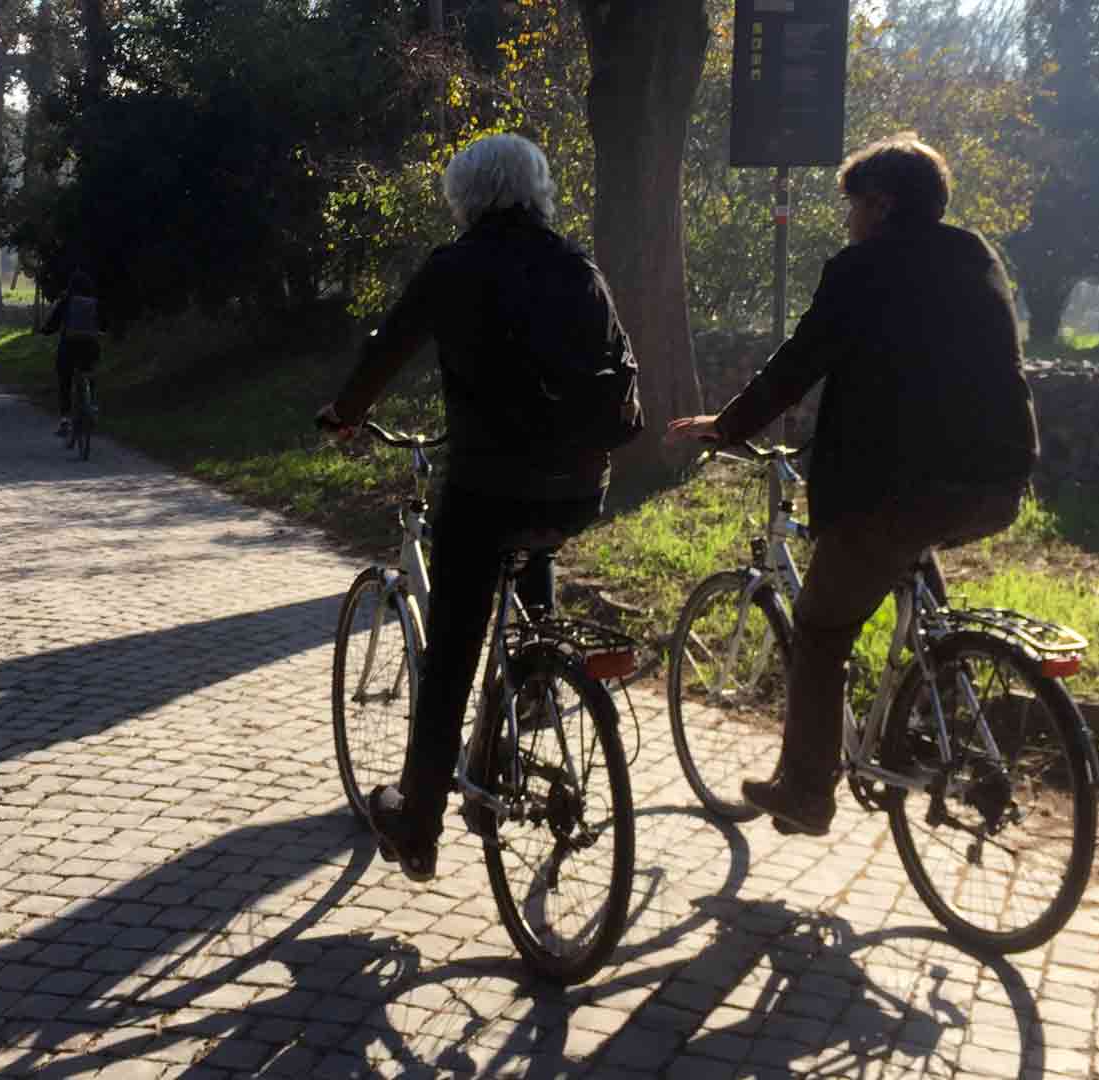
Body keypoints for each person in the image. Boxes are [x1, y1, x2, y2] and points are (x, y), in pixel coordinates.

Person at [666, 132, 1039, 836]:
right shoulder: (976, 255)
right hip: (998, 479)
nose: (847, 221)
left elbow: (798, 363)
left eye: (852, 206)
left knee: (821, 629)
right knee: (911, 559)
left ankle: (808, 791)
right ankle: (933, 717)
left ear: (882, 204)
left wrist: (728, 425)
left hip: (896, 490)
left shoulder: (861, 269)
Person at [315, 133, 639, 882]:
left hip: (487, 486)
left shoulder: (454, 267)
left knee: (453, 654)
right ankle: (532, 693)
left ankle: (417, 821)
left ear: (467, 196)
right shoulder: (577, 266)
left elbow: (387, 350)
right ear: (536, 189)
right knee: (535, 551)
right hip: (580, 485)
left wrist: (345, 412)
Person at [36, 271, 107, 437]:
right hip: (90, 345)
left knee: (65, 380)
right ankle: (93, 405)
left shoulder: (66, 301)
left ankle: (65, 420)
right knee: (89, 371)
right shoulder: (95, 302)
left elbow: (52, 323)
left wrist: (45, 331)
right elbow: (104, 324)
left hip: (69, 345)